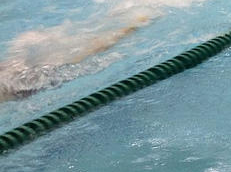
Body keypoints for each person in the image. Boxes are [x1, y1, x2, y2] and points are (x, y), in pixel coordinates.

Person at [0, 13, 150, 102]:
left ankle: (129, 28)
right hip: (11, 79)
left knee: (81, 58)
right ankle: (128, 27)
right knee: (78, 56)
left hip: (15, 82)